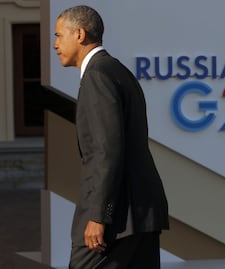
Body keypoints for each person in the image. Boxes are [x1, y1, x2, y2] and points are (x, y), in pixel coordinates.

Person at [53, 5, 169, 269]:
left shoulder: (97, 76)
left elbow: (107, 151)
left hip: (116, 220)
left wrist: (98, 216)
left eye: (59, 35)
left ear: (79, 34)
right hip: (138, 215)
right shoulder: (117, 71)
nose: (55, 44)